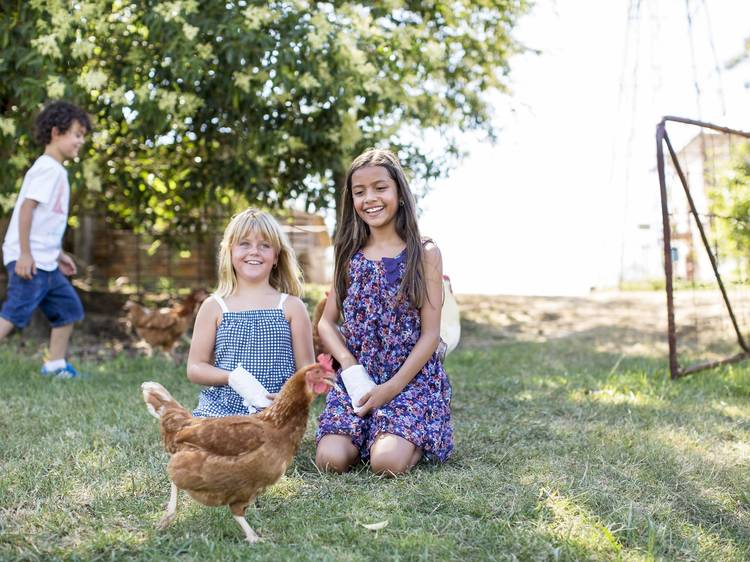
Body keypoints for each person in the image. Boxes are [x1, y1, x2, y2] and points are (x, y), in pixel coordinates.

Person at [315, 148, 453, 476]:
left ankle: (417, 434)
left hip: (408, 379)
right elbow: (325, 322)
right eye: (359, 192)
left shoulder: (425, 253)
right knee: (329, 460)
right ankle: (370, 433)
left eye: (380, 188)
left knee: (385, 462)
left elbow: (431, 334)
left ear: (399, 194)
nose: (370, 199)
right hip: (359, 379)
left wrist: (390, 388)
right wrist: (348, 363)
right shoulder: (349, 253)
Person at [187, 208, 315, 417]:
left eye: (265, 245)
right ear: (230, 251)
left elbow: (308, 373)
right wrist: (232, 378)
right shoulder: (214, 306)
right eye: (244, 243)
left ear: (276, 257)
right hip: (221, 409)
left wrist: (292, 396)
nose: (254, 251)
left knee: (260, 446)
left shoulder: (292, 307)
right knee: (207, 443)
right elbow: (195, 367)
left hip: (275, 411)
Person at [0, 100, 92, 378]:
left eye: (83, 136)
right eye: (77, 134)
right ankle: (54, 365)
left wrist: (58, 253)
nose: (81, 141)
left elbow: (45, 223)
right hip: (30, 262)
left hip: (46, 262)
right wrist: (26, 254)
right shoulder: (47, 168)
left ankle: (55, 366)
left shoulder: (56, 171)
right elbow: (26, 210)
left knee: (68, 311)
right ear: (56, 133)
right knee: (13, 315)